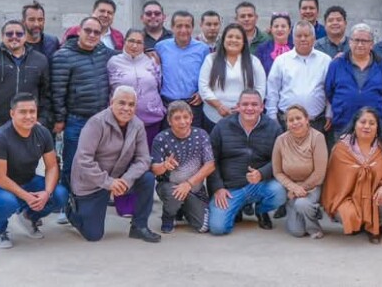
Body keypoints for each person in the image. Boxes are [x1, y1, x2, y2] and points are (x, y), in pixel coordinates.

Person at [0, 20, 52, 231]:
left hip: (28, 124)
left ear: (25, 36)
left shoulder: (39, 60)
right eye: (9, 34)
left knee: (27, 165)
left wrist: (41, 121)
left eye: (18, 33)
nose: (14, 37)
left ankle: (28, 206)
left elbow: (45, 94)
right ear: (2, 35)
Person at [67, 86, 160, 243]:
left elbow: (143, 159)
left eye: (131, 105)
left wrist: (127, 180)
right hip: (92, 183)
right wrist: (109, 183)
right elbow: (84, 159)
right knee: (93, 235)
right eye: (122, 103)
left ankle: (139, 226)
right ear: (111, 103)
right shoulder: (96, 123)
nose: (126, 108)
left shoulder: (137, 125)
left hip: (119, 179)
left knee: (147, 178)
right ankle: (70, 209)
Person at [0, 93, 68, 249]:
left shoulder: (42, 133)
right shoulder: (0, 137)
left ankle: (29, 217)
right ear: (12, 113)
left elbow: (51, 166)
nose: (29, 116)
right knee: (8, 202)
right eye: (23, 112)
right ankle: (1, 230)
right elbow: (0, 178)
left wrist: (46, 193)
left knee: (60, 194)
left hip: (29, 180)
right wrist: (27, 197)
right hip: (0, 185)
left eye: (32, 111)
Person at [51, 17, 115, 205]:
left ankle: (89, 202)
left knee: (98, 163)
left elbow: (124, 53)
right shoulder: (63, 56)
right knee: (72, 164)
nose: (92, 35)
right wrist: (60, 119)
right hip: (76, 121)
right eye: (88, 30)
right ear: (79, 31)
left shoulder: (103, 52)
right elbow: (57, 91)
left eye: (97, 32)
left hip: (101, 121)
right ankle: (67, 204)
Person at [207, 89, 285, 235]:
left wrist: (262, 174)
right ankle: (236, 209)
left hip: (260, 185)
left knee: (280, 191)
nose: (250, 108)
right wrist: (218, 187)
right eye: (245, 104)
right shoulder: (222, 127)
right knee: (218, 228)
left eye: (255, 104)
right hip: (230, 189)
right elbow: (211, 160)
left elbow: (280, 159)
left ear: (262, 107)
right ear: (238, 106)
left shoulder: (273, 128)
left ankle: (261, 210)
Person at [321, 107, 382, 244]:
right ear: (355, 124)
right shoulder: (341, 147)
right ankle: (360, 224)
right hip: (349, 197)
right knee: (344, 213)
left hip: (376, 196)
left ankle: (376, 224)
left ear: (377, 127)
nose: (367, 126)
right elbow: (333, 181)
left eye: (372, 123)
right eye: (362, 122)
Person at [150, 101, 215, 234]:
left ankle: (181, 208)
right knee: (174, 196)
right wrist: (164, 166)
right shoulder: (161, 138)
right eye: (177, 118)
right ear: (169, 121)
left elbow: (210, 164)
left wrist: (188, 184)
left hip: (195, 189)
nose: (182, 122)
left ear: (191, 118)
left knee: (204, 227)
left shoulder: (201, 135)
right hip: (169, 186)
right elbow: (154, 169)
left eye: (186, 117)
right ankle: (168, 215)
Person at [325, 23, 382, 135]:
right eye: (356, 40)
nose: (360, 44)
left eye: (365, 41)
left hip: (372, 127)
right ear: (350, 42)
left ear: (372, 44)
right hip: (343, 126)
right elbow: (329, 91)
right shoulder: (337, 64)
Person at [265, 20, 332, 133]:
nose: (303, 39)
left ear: (314, 38)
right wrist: (272, 116)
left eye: (307, 35)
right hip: (287, 122)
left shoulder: (325, 60)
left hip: (316, 123)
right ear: (293, 38)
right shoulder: (281, 60)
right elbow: (272, 90)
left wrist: (329, 113)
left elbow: (330, 90)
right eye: (299, 36)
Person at [272, 105, 328, 238]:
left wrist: (300, 188)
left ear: (307, 119)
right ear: (286, 123)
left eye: (298, 118)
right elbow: (277, 171)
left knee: (302, 203)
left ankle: (313, 227)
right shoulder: (280, 140)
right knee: (297, 232)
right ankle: (296, 210)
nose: (295, 122)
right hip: (290, 189)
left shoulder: (317, 137)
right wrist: (293, 188)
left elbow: (319, 173)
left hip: (312, 186)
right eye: (291, 120)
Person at [198, 24, 266, 132]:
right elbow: (203, 87)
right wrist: (219, 106)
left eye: (238, 38)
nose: (233, 40)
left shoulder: (254, 61)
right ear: (223, 39)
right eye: (230, 37)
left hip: (245, 117)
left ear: (243, 42)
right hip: (214, 116)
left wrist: (245, 108)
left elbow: (261, 88)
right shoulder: (211, 59)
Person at [107, 29, 165, 148]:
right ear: (124, 41)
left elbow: (160, 85)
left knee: (148, 157)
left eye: (139, 42)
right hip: (122, 121)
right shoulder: (113, 62)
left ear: (144, 45)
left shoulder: (152, 61)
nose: (134, 45)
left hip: (151, 119)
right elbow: (108, 88)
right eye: (131, 41)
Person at [155, 10, 209, 129]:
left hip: (193, 105)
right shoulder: (161, 47)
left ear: (193, 28)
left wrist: (201, 93)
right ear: (172, 27)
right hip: (167, 104)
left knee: (193, 142)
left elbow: (209, 75)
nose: (183, 30)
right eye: (179, 26)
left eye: (187, 26)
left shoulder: (203, 49)